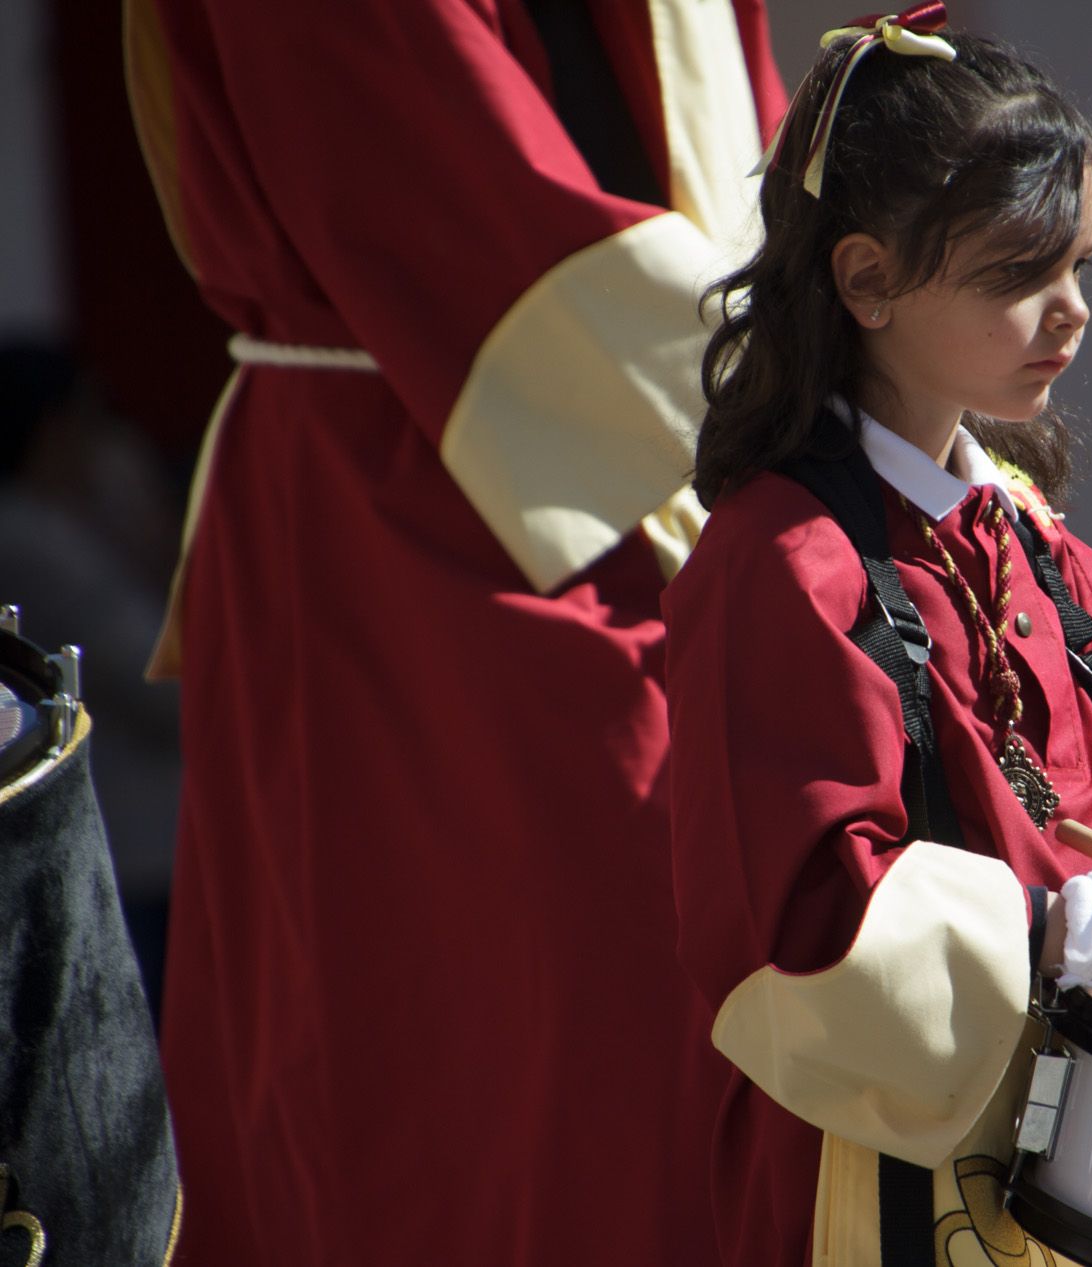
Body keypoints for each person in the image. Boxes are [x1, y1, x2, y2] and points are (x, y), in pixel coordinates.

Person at [663, 13, 1092, 1265]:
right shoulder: (778, 563)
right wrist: (1061, 931)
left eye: (1080, 263)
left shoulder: (1023, 529)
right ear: (865, 278)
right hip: (883, 1168)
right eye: (1017, 274)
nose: (1073, 312)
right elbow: (796, 926)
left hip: (1089, 1151)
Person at [123, 2, 784, 1264]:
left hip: (683, 463)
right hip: (418, 515)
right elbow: (445, 179)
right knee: (462, 1070)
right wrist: (812, 392)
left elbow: (742, 145)